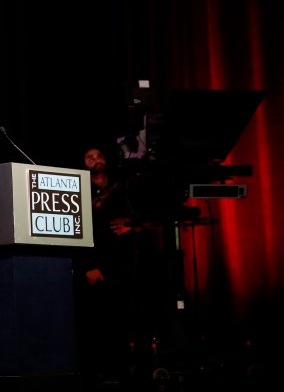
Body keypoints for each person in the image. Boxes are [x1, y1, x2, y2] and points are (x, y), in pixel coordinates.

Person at [73, 145, 164, 386]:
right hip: (93, 268)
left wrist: (131, 224)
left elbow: (145, 220)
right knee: (96, 325)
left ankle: (125, 370)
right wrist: (89, 268)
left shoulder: (124, 189)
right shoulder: (81, 193)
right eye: (89, 157)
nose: (96, 160)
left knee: (124, 322)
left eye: (99, 155)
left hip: (123, 267)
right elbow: (79, 235)